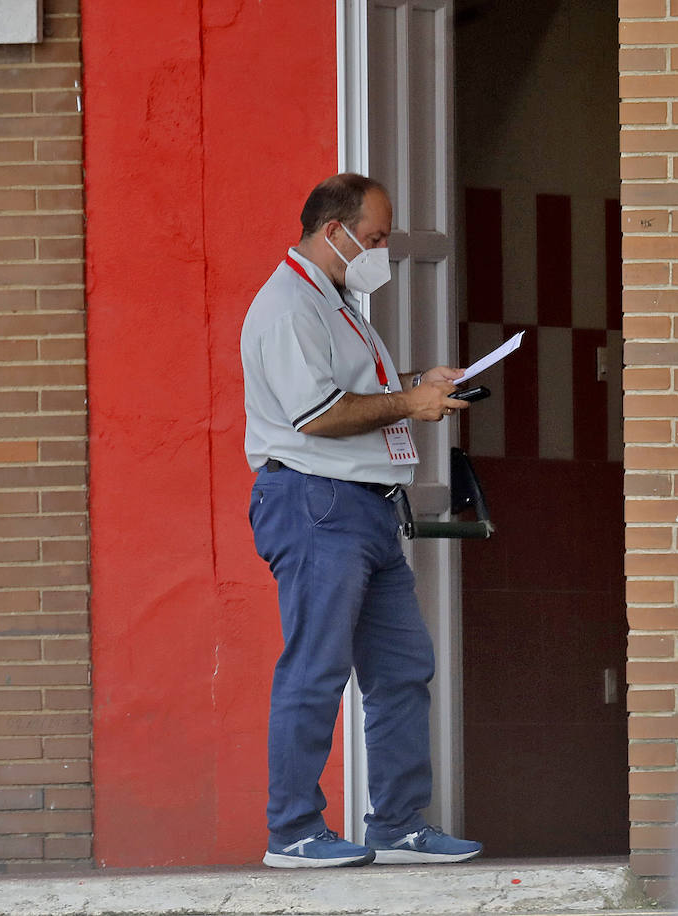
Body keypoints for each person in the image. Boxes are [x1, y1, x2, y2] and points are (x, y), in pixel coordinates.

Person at [240, 173, 483, 868]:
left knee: (404, 666)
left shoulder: (331, 300)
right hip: (317, 503)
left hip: (363, 506)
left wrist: (415, 383)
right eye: (373, 238)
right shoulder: (288, 306)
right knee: (315, 668)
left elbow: (347, 389)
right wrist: (411, 405)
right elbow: (316, 415)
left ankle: (398, 822)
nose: (380, 251)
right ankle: (292, 831)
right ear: (332, 231)